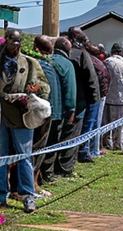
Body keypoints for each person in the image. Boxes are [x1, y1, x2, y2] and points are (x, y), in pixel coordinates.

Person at [0, 29, 49, 213]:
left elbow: (44, 88)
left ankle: (28, 196)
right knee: (0, 157)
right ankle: (0, 196)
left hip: (22, 118)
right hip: (1, 117)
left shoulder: (30, 64)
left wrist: (32, 93)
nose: (15, 46)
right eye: (12, 42)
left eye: (18, 42)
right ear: (5, 42)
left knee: (24, 156)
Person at [42, 36, 78, 181]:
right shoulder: (67, 64)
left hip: (41, 108)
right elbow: (70, 90)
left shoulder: (46, 60)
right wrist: (71, 111)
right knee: (52, 143)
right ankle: (47, 174)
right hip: (57, 110)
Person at [31, 35, 63, 190]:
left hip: (40, 113)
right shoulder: (51, 65)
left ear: (36, 48)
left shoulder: (39, 65)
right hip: (51, 111)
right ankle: (34, 181)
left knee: (37, 149)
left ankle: (33, 182)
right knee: (40, 149)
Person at [65, 27, 101, 163]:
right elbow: (91, 79)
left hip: (74, 97)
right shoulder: (80, 54)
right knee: (83, 126)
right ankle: (82, 152)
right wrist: (94, 98)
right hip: (82, 98)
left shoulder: (70, 53)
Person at [103, 45, 123, 151]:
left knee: (106, 123)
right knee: (120, 125)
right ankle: (119, 143)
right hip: (122, 98)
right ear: (121, 52)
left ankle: (107, 143)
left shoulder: (106, 62)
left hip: (107, 97)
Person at [84, 41, 110, 160]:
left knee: (95, 124)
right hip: (96, 97)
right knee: (93, 124)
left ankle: (92, 148)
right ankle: (90, 149)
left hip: (99, 95)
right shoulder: (91, 61)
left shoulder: (94, 61)